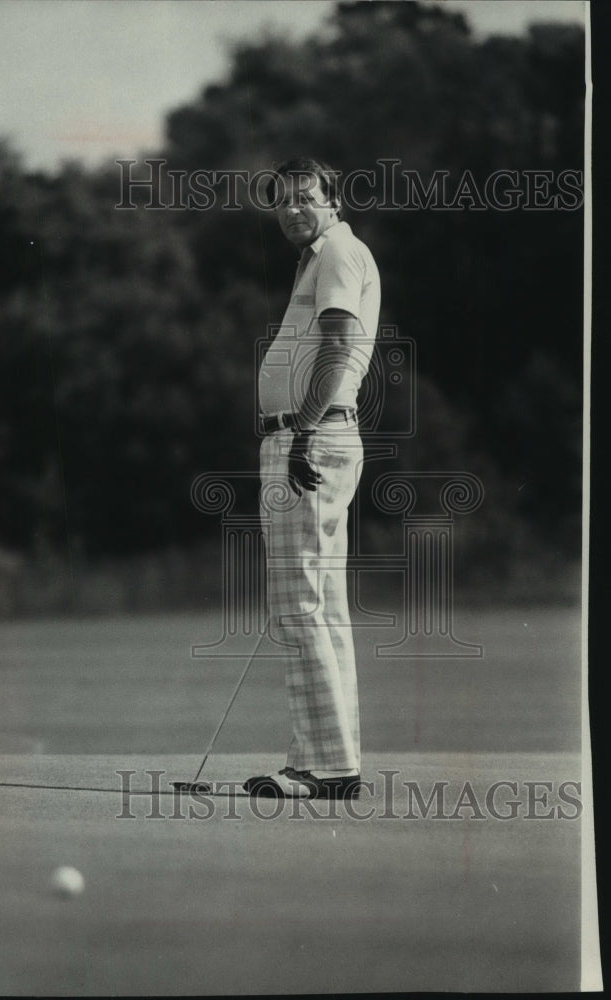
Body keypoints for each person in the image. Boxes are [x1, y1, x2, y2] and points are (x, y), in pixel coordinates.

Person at [243, 158, 381, 800]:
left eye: (306, 197)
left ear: (333, 200)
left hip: (310, 437)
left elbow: (338, 347)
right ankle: (328, 758)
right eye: (282, 201)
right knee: (319, 604)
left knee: (299, 602)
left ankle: (323, 767)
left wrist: (299, 429)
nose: (292, 209)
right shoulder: (320, 257)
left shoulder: (339, 254)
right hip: (314, 435)